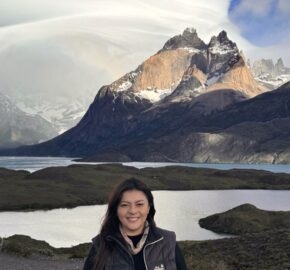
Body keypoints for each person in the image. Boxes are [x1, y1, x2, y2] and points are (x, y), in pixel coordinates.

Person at [83, 178, 188, 270]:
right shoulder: (100, 245)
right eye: (124, 205)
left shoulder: (167, 242)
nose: (133, 211)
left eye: (139, 204)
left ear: (148, 208)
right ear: (116, 209)